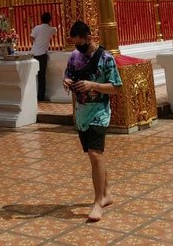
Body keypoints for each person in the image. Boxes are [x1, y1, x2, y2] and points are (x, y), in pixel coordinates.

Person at [63, 20, 121, 223]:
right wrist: (67, 82)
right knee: (95, 155)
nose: (78, 48)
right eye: (75, 44)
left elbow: (115, 87)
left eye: (80, 43)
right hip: (81, 113)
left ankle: (97, 202)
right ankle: (106, 193)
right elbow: (68, 75)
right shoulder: (74, 57)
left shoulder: (106, 58)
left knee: (95, 154)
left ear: (89, 38)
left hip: (99, 112)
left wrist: (92, 85)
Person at [30, 12, 57, 101]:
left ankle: (32, 95)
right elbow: (55, 30)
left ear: (41, 19)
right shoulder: (51, 29)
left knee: (33, 76)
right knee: (42, 77)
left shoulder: (36, 28)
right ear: (50, 20)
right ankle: (41, 97)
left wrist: (35, 45)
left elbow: (31, 38)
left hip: (33, 53)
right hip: (42, 55)